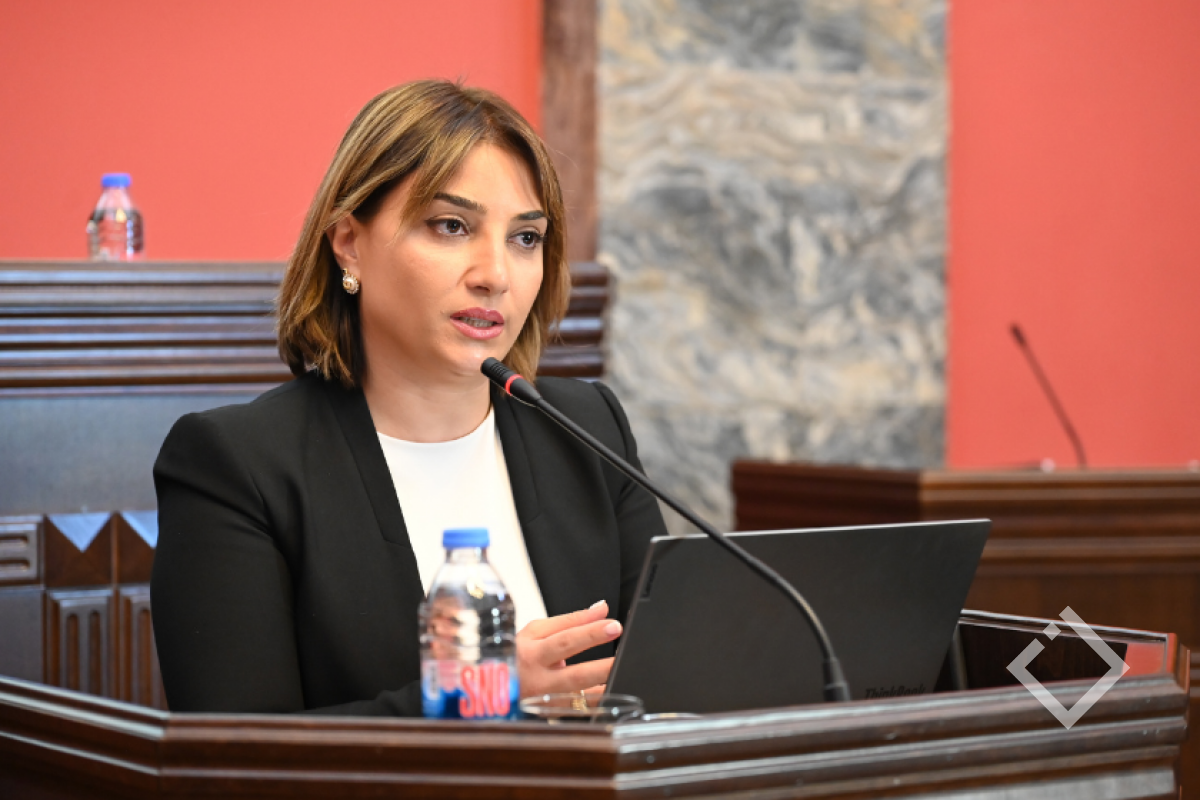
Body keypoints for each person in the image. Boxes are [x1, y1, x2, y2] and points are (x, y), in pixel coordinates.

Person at [150, 80, 668, 716]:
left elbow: (672, 679)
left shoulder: (586, 428)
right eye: (451, 226)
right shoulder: (237, 465)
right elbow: (233, 753)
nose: (495, 275)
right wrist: (476, 700)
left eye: (525, 238)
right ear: (349, 243)